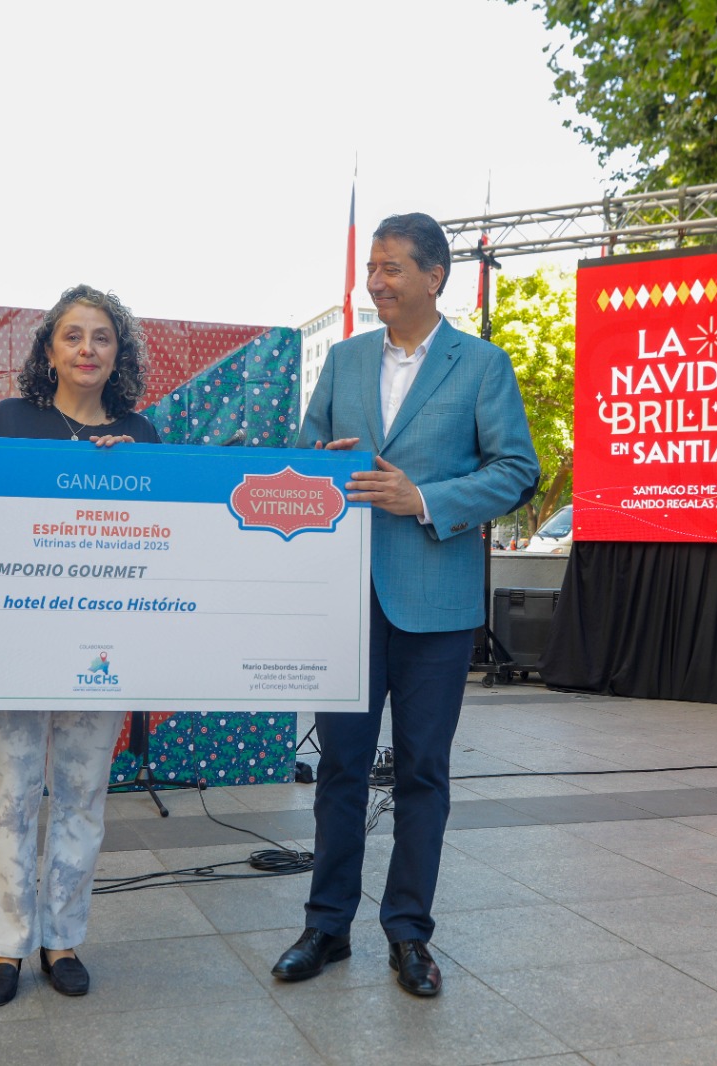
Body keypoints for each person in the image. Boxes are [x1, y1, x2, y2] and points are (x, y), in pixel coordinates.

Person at [274, 213, 539, 996]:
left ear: (434, 277)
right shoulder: (345, 360)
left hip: (436, 605)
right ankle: (327, 926)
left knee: (423, 772)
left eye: (390, 268)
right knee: (340, 769)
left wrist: (422, 498)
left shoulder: (482, 365)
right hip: (347, 600)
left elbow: (516, 470)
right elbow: (301, 456)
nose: (376, 281)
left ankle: (409, 933)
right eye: (371, 267)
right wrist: (317, 463)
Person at [0, 285, 158, 1007]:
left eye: (102, 336)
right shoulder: (6, 421)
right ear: (48, 349)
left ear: (119, 351)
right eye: (72, 335)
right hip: (9, 645)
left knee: (82, 797)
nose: (87, 349)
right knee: (8, 797)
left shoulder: (141, 436)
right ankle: (5, 944)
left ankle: (63, 939)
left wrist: (130, 474)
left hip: (99, 653)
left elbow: (164, 540)